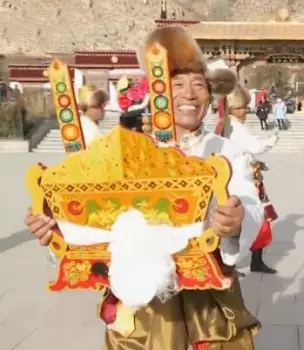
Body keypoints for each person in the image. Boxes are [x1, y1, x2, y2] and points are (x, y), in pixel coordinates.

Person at [24, 26, 263, 350]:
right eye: (177, 84)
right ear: (157, 91)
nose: (189, 94)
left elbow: (248, 201)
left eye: (198, 85)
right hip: (142, 310)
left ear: (210, 95)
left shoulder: (224, 149)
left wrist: (235, 221)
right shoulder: (123, 154)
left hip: (209, 305)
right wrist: (54, 226)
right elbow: (90, 216)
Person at [227, 85, 280, 275]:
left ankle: (242, 262)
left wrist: (255, 162)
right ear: (231, 108)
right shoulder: (235, 127)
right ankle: (241, 263)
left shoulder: (228, 126)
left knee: (254, 221)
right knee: (257, 220)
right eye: (242, 107)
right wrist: (273, 138)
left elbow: (243, 153)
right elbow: (255, 146)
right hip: (242, 183)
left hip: (241, 179)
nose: (246, 111)